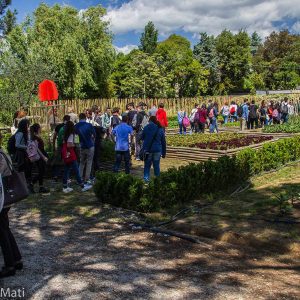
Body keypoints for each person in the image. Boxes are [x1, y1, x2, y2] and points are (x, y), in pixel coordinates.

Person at [0, 132, 23, 278]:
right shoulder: (2, 151)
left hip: (1, 198)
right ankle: (16, 259)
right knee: (5, 229)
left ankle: (10, 266)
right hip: (5, 197)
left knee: (1, 232)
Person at [62, 121, 92, 193]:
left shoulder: (65, 134)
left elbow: (65, 143)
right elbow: (69, 145)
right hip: (71, 154)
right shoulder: (71, 134)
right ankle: (82, 185)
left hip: (67, 155)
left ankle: (65, 186)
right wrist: (75, 145)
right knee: (76, 170)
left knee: (66, 170)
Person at [141, 116, 166, 182]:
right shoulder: (160, 129)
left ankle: (146, 180)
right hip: (157, 150)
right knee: (156, 165)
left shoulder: (146, 128)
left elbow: (142, 137)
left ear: (149, 120)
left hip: (148, 150)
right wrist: (164, 153)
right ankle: (157, 180)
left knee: (147, 166)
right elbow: (163, 142)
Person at [75, 113, 95, 185]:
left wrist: (77, 145)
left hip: (81, 146)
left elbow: (75, 137)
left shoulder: (76, 126)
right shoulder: (89, 125)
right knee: (89, 162)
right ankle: (87, 178)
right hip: (90, 145)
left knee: (81, 162)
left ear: (79, 118)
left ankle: (79, 178)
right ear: (85, 117)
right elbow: (94, 135)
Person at [29, 124, 49, 194]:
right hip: (39, 156)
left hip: (41, 156)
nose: (41, 129)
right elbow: (38, 149)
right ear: (37, 129)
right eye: (40, 128)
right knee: (41, 171)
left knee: (42, 171)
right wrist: (43, 157)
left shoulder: (35, 137)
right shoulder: (35, 138)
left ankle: (41, 186)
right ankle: (31, 184)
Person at [14, 119, 32, 190]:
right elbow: (17, 144)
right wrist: (27, 147)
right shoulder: (20, 133)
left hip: (24, 152)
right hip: (21, 153)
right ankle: (21, 185)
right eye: (27, 124)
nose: (28, 126)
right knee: (22, 168)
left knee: (26, 168)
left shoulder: (24, 133)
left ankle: (26, 184)